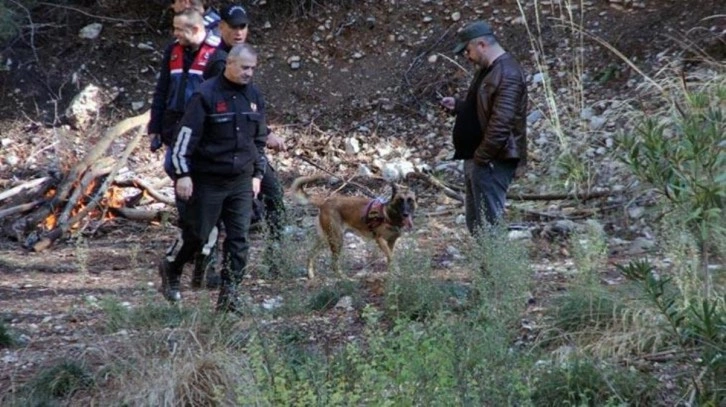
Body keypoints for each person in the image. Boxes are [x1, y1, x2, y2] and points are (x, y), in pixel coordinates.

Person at [158, 43, 268, 314]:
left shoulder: (254, 95)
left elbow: (259, 140)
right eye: (244, 68)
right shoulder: (205, 94)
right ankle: (171, 267)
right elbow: (184, 137)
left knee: (239, 239)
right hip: (207, 178)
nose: (248, 73)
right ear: (229, 64)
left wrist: (257, 174)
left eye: (252, 68)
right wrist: (183, 174)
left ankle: (229, 299)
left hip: (241, 178)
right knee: (198, 233)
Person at [205, 4, 287, 268]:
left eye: (243, 26)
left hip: (246, 145)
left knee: (271, 198)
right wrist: (266, 135)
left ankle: (275, 260)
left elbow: (249, 104)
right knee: (219, 215)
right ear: (221, 27)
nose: (239, 31)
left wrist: (264, 133)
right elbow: (231, 107)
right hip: (226, 151)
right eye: (233, 26)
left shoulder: (240, 57)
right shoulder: (221, 61)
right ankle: (207, 269)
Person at [147, 9, 221, 289]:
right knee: (191, 209)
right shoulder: (173, 52)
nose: (175, 34)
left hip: (205, 137)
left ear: (193, 29)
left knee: (213, 209)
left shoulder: (217, 54)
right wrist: (155, 126)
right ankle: (176, 265)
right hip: (175, 134)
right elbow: (162, 88)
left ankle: (204, 268)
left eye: (179, 29)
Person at [440, 21, 528, 235]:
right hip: (481, 160)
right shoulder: (489, 70)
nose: (467, 57)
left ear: (481, 44)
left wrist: (482, 158)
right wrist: (459, 106)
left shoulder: (507, 73)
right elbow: (484, 109)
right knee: (478, 225)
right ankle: (488, 268)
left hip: (491, 162)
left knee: (489, 227)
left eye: (468, 51)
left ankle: (498, 269)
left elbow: (502, 124)